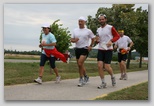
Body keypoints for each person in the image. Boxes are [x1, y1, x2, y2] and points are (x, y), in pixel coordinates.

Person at [96, 14, 120, 89]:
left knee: (106, 67)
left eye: (103, 19)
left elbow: (117, 36)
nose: (101, 21)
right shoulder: (98, 29)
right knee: (99, 65)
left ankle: (112, 76)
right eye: (100, 19)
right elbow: (98, 38)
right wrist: (97, 40)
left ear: (106, 20)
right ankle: (103, 82)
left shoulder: (110, 27)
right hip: (100, 48)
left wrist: (111, 41)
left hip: (108, 49)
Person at [71, 16, 95, 87]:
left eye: (81, 21)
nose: (80, 23)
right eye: (79, 21)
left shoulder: (88, 31)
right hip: (77, 49)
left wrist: (90, 46)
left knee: (80, 63)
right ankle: (86, 76)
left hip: (85, 48)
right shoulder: (75, 30)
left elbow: (93, 38)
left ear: (85, 22)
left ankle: (81, 79)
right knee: (80, 65)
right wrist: (75, 40)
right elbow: (71, 39)